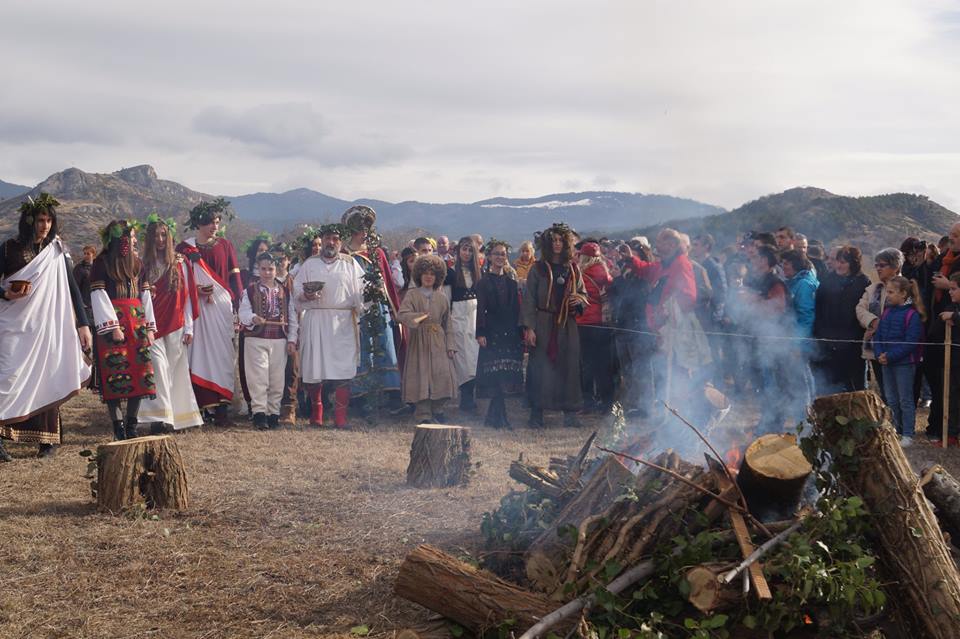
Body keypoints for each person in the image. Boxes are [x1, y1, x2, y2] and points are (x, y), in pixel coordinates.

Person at [0, 194, 92, 461]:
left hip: (49, 327)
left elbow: (73, 289)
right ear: (29, 222)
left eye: (49, 220)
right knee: (8, 378)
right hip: (15, 326)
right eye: (40, 220)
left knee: (48, 377)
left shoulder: (57, 251)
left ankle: (47, 442)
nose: (45, 225)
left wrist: (83, 324)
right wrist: (6, 295)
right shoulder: (9, 249)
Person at [289, 224, 365, 428]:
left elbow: (362, 292)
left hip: (342, 323)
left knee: (343, 368)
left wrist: (372, 291)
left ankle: (340, 418)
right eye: (328, 238)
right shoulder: (309, 264)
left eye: (336, 239)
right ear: (321, 240)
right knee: (315, 367)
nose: (331, 242)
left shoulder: (350, 263)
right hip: (315, 319)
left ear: (341, 242)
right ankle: (317, 413)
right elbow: (295, 292)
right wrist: (306, 295)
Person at [176, 198, 243, 425]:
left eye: (216, 222)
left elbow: (234, 278)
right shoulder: (185, 248)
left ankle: (222, 408)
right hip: (196, 309)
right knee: (198, 354)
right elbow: (177, 280)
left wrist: (239, 303)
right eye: (209, 222)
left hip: (221, 307)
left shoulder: (225, 245)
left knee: (223, 354)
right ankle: (202, 406)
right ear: (198, 224)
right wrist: (194, 290)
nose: (214, 227)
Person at [89, 220, 157, 440]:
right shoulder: (102, 263)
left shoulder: (137, 263)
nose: (134, 240)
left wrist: (149, 327)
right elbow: (99, 296)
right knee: (115, 374)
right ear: (120, 239)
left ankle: (132, 424)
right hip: (114, 325)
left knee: (139, 372)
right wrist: (113, 326)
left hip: (137, 324)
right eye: (130, 237)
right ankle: (118, 426)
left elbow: (145, 296)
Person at [137, 215, 202, 433]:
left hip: (176, 322)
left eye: (164, 234)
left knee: (175, 371)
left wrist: (190, 327)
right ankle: (159, 417)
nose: (160, 239)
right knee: (158, 368)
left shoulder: (180, 263)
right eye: (155, 235)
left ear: (170, 237)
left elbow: (187, 297)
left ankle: (177, 417)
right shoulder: (143, 265)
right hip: (151, 325)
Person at [521, 223, 588, 427]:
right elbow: (529, 299)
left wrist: (579, 300)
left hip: (567, 325)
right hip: (543, 322)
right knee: (540, 366)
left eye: (561, 240)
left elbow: (584, 294)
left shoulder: (573, 269)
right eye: (553, 240)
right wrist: (529, 328)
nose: (557, 244)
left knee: (569, 366)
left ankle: (570, 413)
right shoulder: (538, 269)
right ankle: (536, 412)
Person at [343, 206, 402, 408]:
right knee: (361, 348)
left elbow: (388, 283)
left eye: (367, 230)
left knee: (385, 345)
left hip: (379, 306)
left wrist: (395, 310)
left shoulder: (376, 253)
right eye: (360, 230)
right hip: (355, 309)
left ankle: (391, 394)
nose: (364, 234)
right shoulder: (344, 255)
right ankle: (360, 396)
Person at [398, 255, 457, 423]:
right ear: (419, 275)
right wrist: (418, 317)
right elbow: (402, 315)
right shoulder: (412, 295)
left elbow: (448, 324)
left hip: (439, 341)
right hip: (419, 342)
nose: (429, 276)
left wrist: (450, 345)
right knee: (421, 374)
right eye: (425, 273)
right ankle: (423, 412)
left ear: (438, 277)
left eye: (432, 273)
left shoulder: (442, 297)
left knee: (442, 373)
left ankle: (437, 408)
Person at [238, 253, 290, 430]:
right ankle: (259, 413)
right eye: (263, 269)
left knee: (277, 378)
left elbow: (292, 319)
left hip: (278, 339)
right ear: (258, 269)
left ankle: (273, 413)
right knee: (258, 377)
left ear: (277, 269)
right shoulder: (250, 290)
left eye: (271, 269)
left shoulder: (284, 291)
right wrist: (253, 318)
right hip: (256, 339)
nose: (267, 273)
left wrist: (292, 339)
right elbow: (243, 313)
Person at [873, 276, 926, 446]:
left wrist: (890, 356)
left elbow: (910, 342)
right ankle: (895, 429)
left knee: (905, 399)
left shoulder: (912, 315)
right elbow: (878, 335)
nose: (887, 295)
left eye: (891, 292)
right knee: (891, 398)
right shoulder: (887, 312)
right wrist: (879, 353)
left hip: (904, 363)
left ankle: (908, 433)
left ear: (903, 294)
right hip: (886, 361)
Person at [475, 240, 523, 428]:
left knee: (505, 376)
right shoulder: (483, 283)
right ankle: (499, 418)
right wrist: (480, 333)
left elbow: (516, 310)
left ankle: (496, 418)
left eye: (503, 254)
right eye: (496, 254)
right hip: (492, 332)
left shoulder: (512, 283)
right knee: (494, 376)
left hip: (510, 332)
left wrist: (520, 331)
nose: (500, 257)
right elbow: (480, 310)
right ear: (488, 257)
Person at [812, 246, 871, 393]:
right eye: (837, 261)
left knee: (855, 388)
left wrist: (855, 336)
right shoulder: (827, 281)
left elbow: (866, 312)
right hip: (828, 341)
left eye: (843, 262)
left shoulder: (863, 282)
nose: (838, 265)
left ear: (853, 263)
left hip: (853, 344)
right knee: (829, 387)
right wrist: (821, 334)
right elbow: (818, 310)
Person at [857, 247, 904, 402]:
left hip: (900, 349)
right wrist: (873, 321)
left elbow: (909, 316)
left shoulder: (907, 287)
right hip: (876, 347)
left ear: (895, 267)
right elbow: (860, 308)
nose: (878, 268)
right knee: (885, 392)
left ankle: (901, 425)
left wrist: (883, 326)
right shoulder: (873, 289)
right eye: (876, 265)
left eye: (882, 265)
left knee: (900, 394)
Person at [575, 241, 614, 414]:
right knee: (603, 365)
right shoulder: (605, 272)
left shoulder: (581, 274)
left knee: (587, 364)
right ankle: (607, 402)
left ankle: (588, 400)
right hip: (603, 323)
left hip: (584, 322)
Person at [445, 237, 482, 413]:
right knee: (463, 361)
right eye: (464, 249)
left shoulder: (479, 273)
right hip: (458, 319)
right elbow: (446, 301)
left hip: (475, 319)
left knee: (474, 360)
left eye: (470, 250)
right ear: (458, 251)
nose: (466, 253)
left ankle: (471, 398)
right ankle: (465, 399)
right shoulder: (450, 273)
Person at [271, 243, 300, 425]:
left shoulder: (293, 282)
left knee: (291, 369)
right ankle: (271, 407)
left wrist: (293, 334)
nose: (280, 263)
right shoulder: (267, 282)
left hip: (290, 330)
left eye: (282, 259)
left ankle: (289, 408)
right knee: (272, 370)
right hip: (271, 331)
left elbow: (297, 309)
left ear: (288, 261)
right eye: (276, 259)